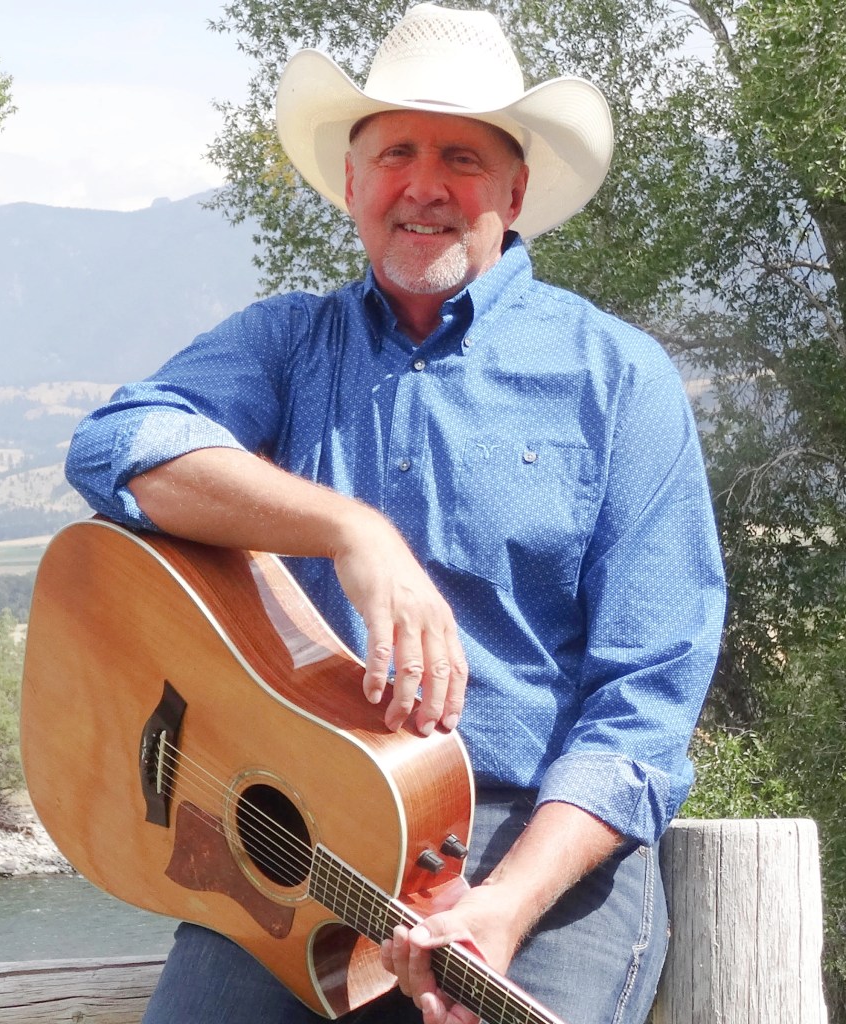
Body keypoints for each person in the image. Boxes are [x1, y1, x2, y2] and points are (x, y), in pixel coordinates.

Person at [64, 5, 726, 1023]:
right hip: (300, 837)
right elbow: (120, 446)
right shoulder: (289, 342)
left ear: (514, 190)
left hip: (529, 845)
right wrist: (351, 530)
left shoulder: (618, 382)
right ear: (351, 184)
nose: (423, 185)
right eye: (395, 153)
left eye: (460, 156)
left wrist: (502, 904)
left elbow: (640, 712)